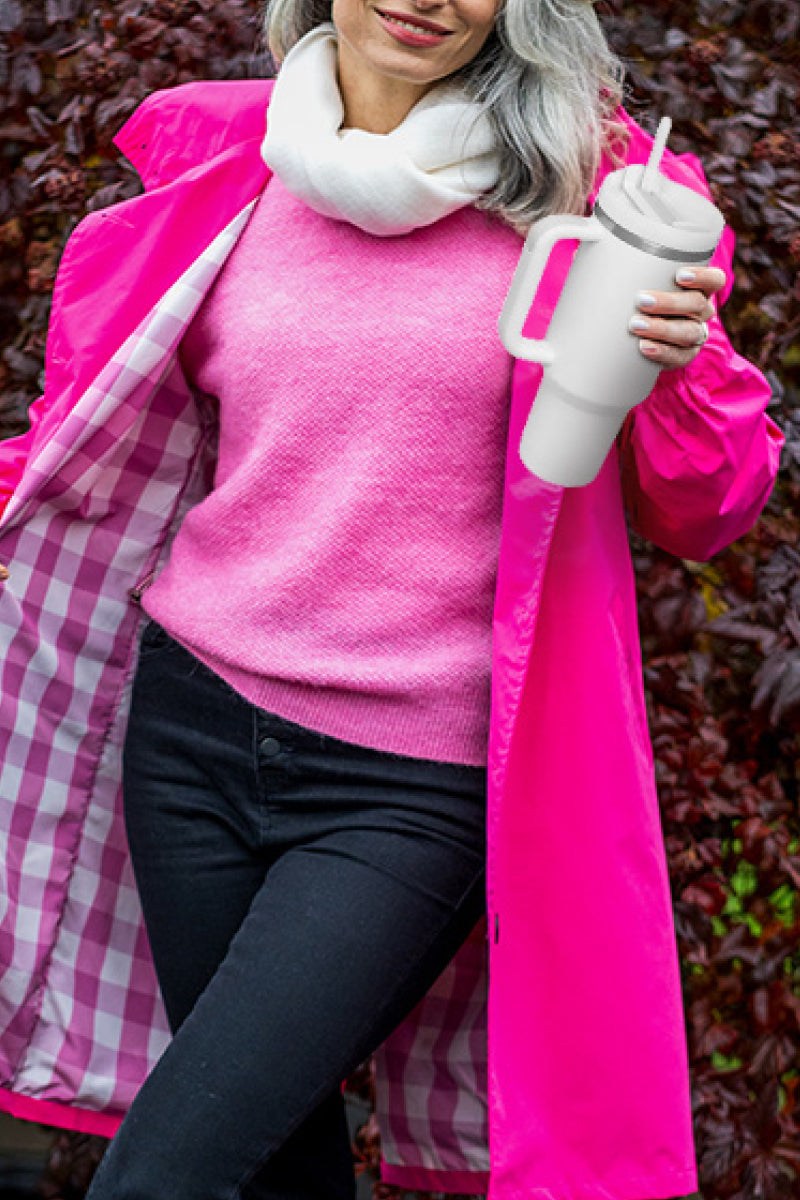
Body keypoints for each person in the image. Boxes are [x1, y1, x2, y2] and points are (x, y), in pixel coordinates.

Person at [0, 0, 783, 1198]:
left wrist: (680, 374)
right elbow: (91, 431)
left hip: (408, 780)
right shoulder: (228, 161)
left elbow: (706, 506)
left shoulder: (597, 199)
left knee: (165, 1176)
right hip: (188, 729)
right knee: (272, 1162)